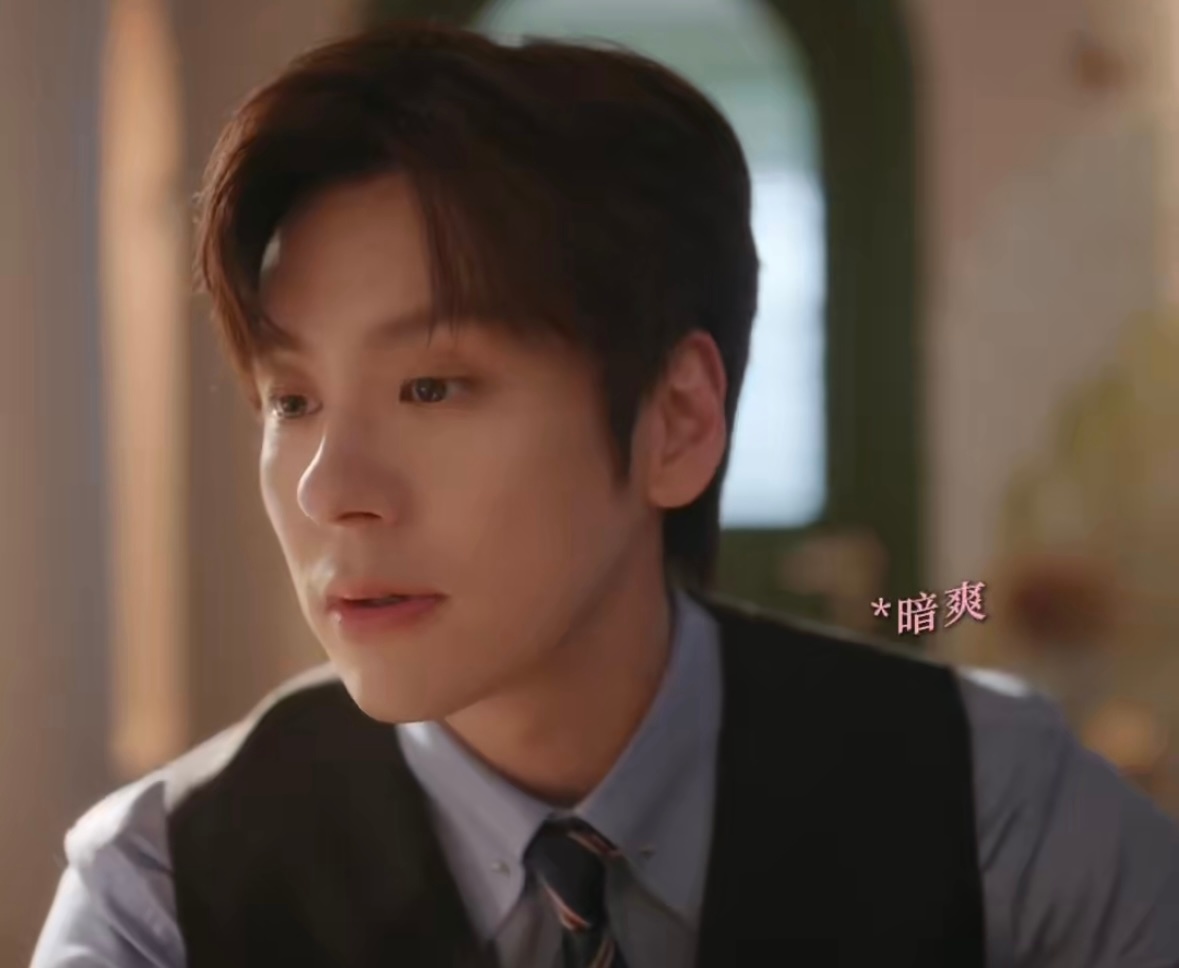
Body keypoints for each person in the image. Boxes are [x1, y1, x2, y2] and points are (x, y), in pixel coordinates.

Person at [31, 21, 1179, 968]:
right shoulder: (162, 895)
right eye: (292, 398)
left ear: (676, 420)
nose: (331, 488)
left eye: (431, 386)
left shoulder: (995, 811)